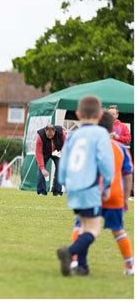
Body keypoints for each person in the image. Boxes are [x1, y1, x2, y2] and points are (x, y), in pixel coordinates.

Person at [56, 95, 114, 277]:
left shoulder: (74, 135)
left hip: (73, 187)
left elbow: (63, 161)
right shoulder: (100, 134)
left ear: (78, 114)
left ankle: (83, 266)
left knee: (84, 227)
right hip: (90, 187)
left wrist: (64, 181)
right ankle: (69, 251)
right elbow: (105, 162)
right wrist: (108, 182)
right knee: (94, 229)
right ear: (99, 114)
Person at [99, 111, 134, 275]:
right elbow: (128, 175)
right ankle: (130, 265)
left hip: (94, 194)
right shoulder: (120, 150)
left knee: (83, 226)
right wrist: (125, 198)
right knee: (118, 230)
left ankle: (75, 259)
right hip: (114, 195)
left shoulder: (93, 146)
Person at [35, 123, 66, 195]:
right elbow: (38, 152)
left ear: (55, 132)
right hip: (44, 152)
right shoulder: (40, 136)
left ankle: (57, 191)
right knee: (41, 170)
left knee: (60, 168)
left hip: (58, 151)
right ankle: (41, 191)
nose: (50, 137)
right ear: (45, 131)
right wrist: (42, 168)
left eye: (51, 136)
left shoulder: (62, 133)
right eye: (48, 136)